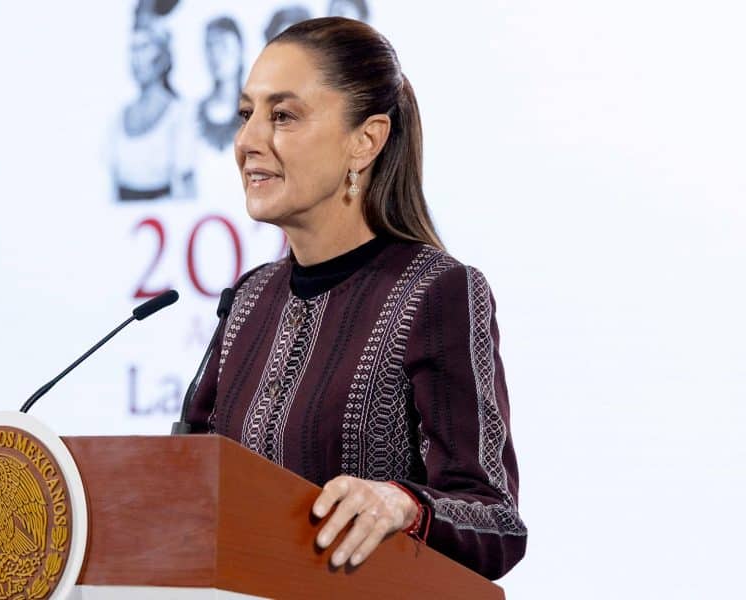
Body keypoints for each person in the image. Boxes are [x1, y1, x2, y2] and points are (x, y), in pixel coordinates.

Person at [185, 17, 526, 579]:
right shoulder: (248, 300)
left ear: (365, 141)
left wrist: (403, 504)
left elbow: (496, 522)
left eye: (283, 116)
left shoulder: (436, 292)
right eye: (246, 115)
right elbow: (183, 482)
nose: (247, 142)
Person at [111, 14, 195, 201]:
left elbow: (187, 185)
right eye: (133, 49)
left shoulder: (180, 113)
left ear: (161, 54)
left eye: (144, 47)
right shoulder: (118, 117)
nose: (137, 58)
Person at [197, 16, 245, 152]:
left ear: (240, 50)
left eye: (223, 45)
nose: (216, 55)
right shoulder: (191, 114)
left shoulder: (258, 112)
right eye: (210, 46)